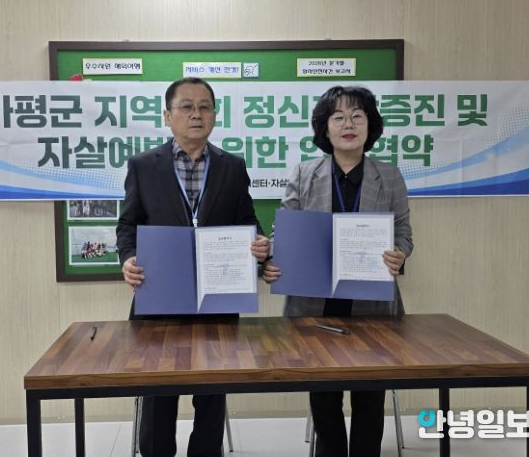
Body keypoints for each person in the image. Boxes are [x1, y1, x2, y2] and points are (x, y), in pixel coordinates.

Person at [116, 77, 269, 457]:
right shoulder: (143, 166)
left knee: (212, 393)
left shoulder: (232, 166)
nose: (196, 114)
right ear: (167, 116)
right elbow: (128, 224)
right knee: (158, 394)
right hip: (159, 297)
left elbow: (247, 220)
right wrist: (128, 258)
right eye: (186, 106)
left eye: (204, 107)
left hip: (218, 297)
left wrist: (258, 242)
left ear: (215, 114)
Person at [262, 85, 413, 457]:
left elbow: (403, 231)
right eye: (339, 117)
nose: (349, 124)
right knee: (324, 397)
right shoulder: (304, 174)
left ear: (370, 125)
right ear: (325, 128)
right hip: (315, 305)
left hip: (372, 304)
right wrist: (273, 259)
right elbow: (285, 233)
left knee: (369, 397)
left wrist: (399, 254)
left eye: (358, 116)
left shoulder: (389, 176)